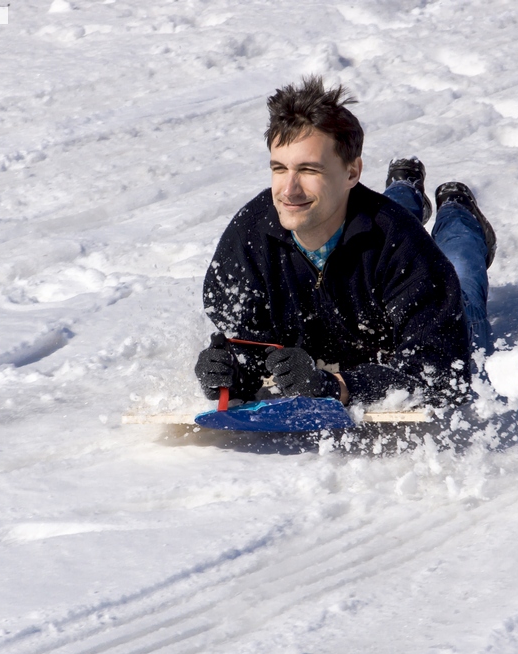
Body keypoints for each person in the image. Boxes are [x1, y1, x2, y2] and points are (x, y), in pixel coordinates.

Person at [194, 76, 496, 407]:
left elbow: (442, 377)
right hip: (359, 214)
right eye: (279, 169)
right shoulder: (248, 238)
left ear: (352, 172)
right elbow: (249, 343)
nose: (288, 190)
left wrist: (338, 385)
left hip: (437, 311)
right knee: (363, 209)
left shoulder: (404, 247)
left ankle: (458, 213)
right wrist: (231, 372)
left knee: (461, 269)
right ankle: (404, 187)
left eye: (309, 170)